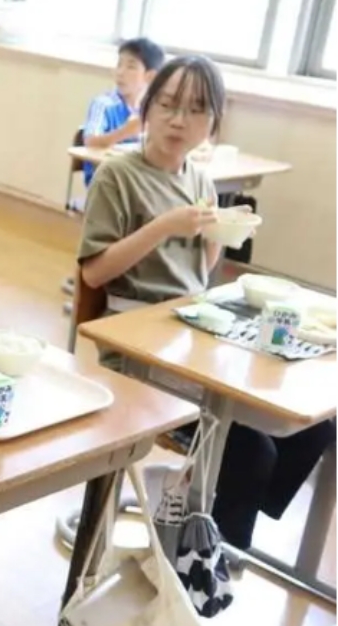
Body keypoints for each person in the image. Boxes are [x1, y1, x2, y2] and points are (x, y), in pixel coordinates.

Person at [78, 55, 334, 551]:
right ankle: (204, 556)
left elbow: (200, 271)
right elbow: (94, 273)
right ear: (147, 108)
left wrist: (220, 230)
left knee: (313, 427)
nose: (179, 120)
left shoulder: (199, 180)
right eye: (168, 105)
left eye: (196, 110)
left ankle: (208, 516)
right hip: (134, 340)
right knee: (252, 450)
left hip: (192, 330)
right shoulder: (118, 175)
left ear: (214, 122)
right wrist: (165, 226)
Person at [79, 37, 165, 186]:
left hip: (140, 179)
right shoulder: (104, 104)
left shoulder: (154, 107)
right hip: (105, 181)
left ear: (150, 76)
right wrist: (125, 131)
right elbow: (90, 142)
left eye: (131, 67)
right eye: (119, 65)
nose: (120, 72)